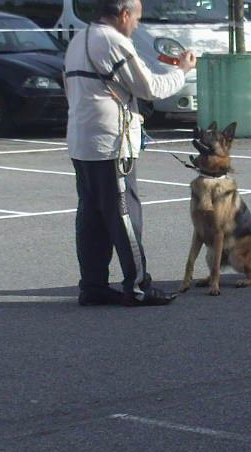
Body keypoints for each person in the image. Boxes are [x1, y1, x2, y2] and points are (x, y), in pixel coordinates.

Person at [64, 0, 197, 306]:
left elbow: (69, 86)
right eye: (137, 17)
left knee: (91, 215)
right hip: (111, 143)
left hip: (81, 140)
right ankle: (138, 286)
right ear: (123, 14)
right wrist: (183, 70)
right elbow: (149, 88)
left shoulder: (79, 39)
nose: (137, 24)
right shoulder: (114, 41)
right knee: (124, 215)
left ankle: (93, 285)